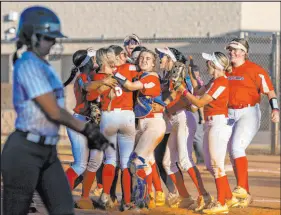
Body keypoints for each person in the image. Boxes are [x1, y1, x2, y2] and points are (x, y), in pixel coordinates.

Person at [1, 6, 111, 215]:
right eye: (48, 37)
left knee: (63, 208)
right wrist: (87, 129)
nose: (53, 43)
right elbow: (52, 110)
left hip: (47, 151)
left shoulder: (44, 66)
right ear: (31, 37)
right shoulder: (28, 65)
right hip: (24, 150)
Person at [177, 52, 240, 214]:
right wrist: (190, 75)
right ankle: (228, 198)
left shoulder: (221, 82)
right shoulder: (214, 81)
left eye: (209, 62)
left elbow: (198, 102)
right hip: (211, 124)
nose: (207, 65)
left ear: (216, 65)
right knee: (211, 166)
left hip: (218, 124)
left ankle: (220, 203)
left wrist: (183, 91)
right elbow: (198, 91)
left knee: (215, 164)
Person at [156, 47, 212, 212]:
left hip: (183, 118)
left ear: (171, 59)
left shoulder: (181, 75)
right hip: (174, 121)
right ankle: (185, 197)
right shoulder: (166, 77)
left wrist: (167, 108)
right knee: (167, 162)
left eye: (163, 56)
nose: (160, 59)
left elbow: (189, 102)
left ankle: (205, 195)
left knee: (184, 160)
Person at [225, 38, 280, 207]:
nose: (232, 52)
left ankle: (241, 187)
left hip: (249, 112)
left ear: (244, 53)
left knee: (236, 147)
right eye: (231, 49)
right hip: (229, 113)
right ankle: (245, 194)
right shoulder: (225, 70)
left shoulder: (255, 70)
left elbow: (270, 92)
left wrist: (275, 109)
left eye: (236, 49)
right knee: (233, 154)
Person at [63, 49, 117, 210]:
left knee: (94, 162)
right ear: (86, 63)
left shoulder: (92, 74)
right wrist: (104, 82)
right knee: (80, 165)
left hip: (90, 125)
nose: (94, 60)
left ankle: (84, 196)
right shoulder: (83, 78)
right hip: (80, 123)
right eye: (91, 59)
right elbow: (87, 88)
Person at [113, 49, 166, 209]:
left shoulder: (151, 76)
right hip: (143, 124)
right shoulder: (141, 75)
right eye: (142, 57)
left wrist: (114, 72)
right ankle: (147, 198)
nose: (143, 60)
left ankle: (140, 200)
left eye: (148, 58)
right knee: (147, 163)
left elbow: (129, 85)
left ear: (153, 63)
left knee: (137, 161)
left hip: (154, 124)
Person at [92, 47, 138, 211]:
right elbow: (138, 77)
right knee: (125, 161)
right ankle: (127, 201)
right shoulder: (129, 68)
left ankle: (105, 196)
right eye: (122, 54)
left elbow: (90, 93)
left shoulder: (99, 75)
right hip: (127, 115)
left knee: (110, 159)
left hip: (108, 115)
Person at [190, 65, 205, 164]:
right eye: (193, 71)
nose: (196, 73)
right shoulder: (190, 80)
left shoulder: (199, 82)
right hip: (190, 110)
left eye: (197, 71)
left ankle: (201, 159)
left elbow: (200, 101)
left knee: (197, 137)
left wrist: (202, 116)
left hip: (195, 111)